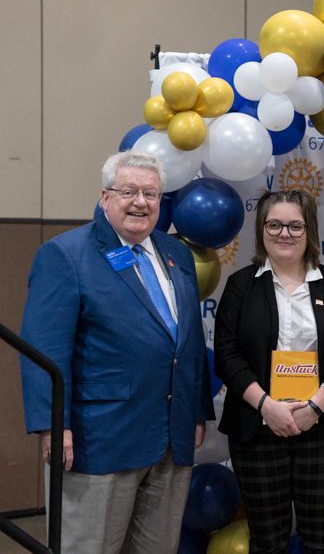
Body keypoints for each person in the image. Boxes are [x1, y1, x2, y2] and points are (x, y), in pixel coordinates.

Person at [18, 151, 214, 553]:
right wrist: (53, 425)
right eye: (128, 191)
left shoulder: (176, 254)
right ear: (104, 197)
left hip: (170, 438)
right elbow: (45, 349)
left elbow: (190, 342)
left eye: (150, 194)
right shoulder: (66, 255)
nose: (140, 202)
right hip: (99, 440)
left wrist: (196, 410)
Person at [214, 189, 324, 554]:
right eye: (275, 225)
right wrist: (267, 407)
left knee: (322, 541)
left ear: (310, 230)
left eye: (295, 226)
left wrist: (314, 408)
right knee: (266, 541)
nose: (285, 233)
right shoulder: (241, 285)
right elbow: (228, 356)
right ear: (261, 229)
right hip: (257, 427)